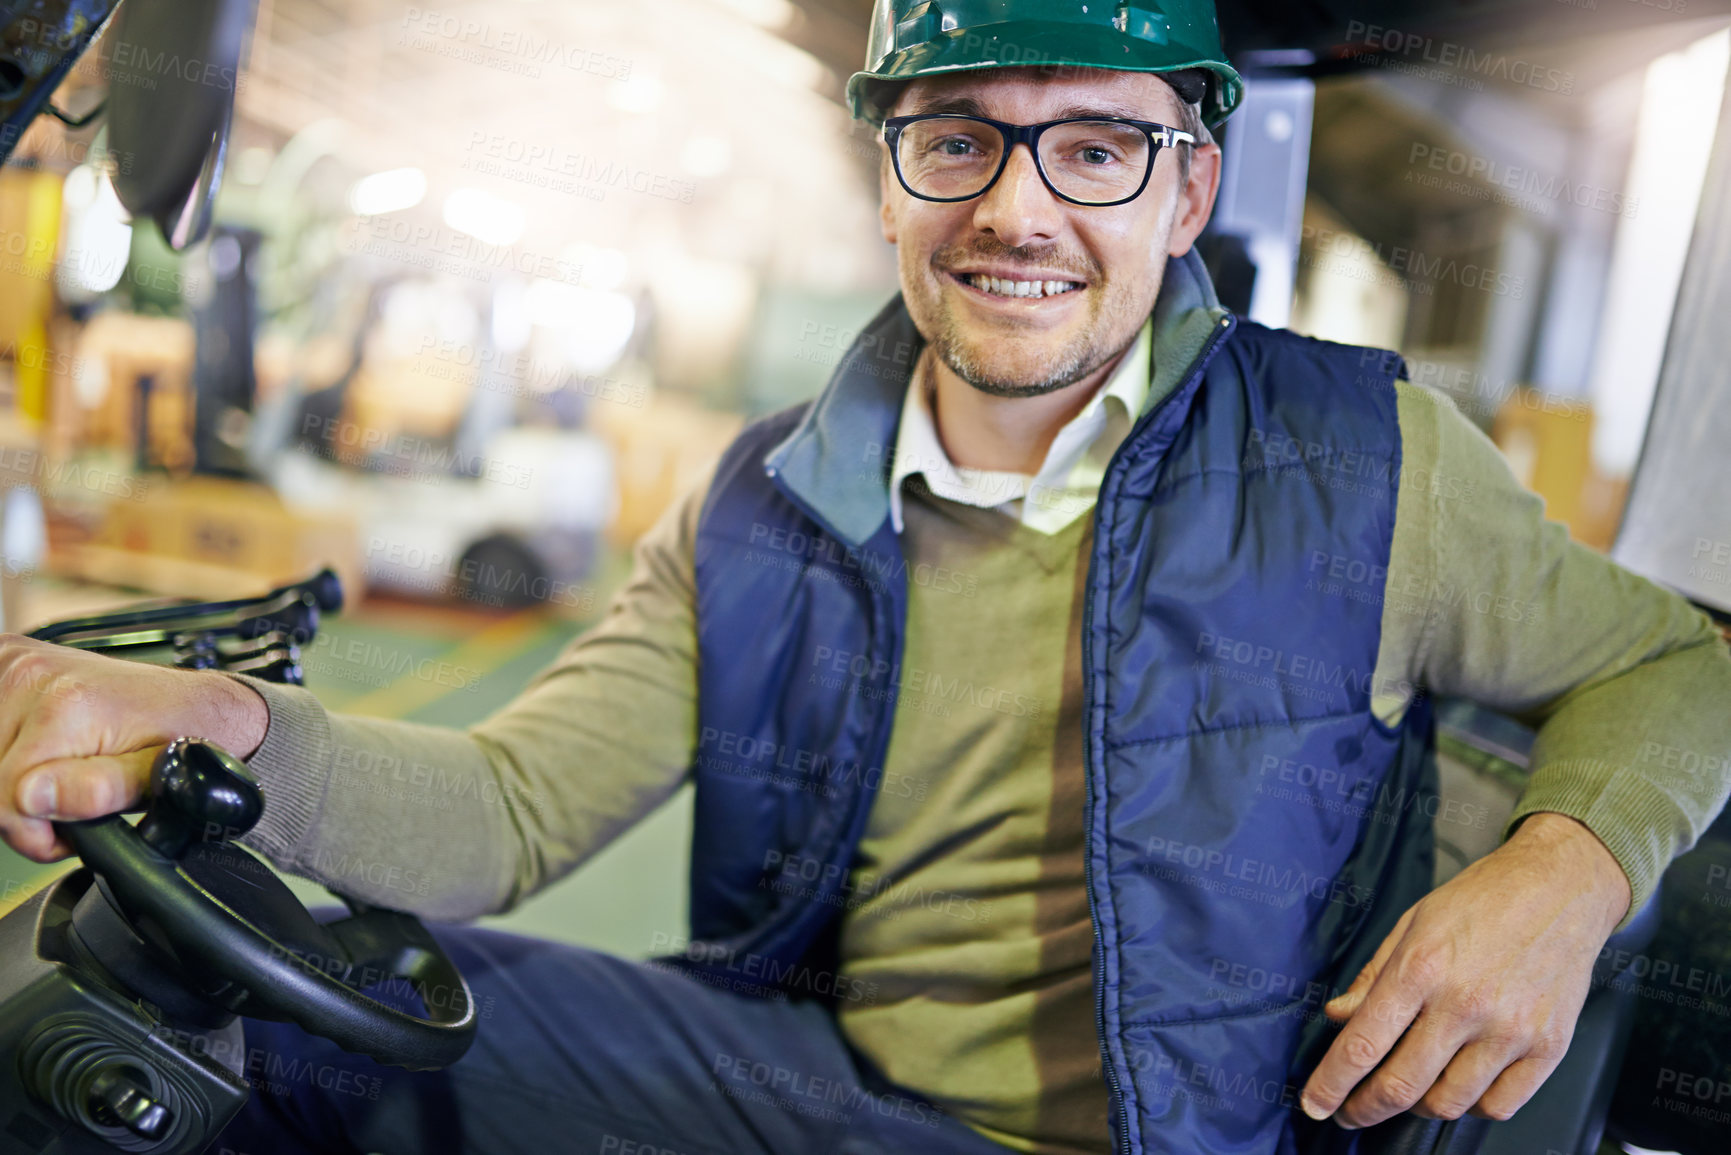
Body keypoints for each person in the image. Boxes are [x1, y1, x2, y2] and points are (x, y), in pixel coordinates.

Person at [3, 3, 1729, 1152]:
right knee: (231, 1005)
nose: (1020, 208)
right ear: (889, 174)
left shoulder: (1370, 464)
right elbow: (511, 808)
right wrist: (224, 721)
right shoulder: (764, 497)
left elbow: (1686, 665)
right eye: (959, 137)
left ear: (1188, 182)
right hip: (821, 1089)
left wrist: (1571, 873)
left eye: (1096, 147)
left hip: (1192, 1130)